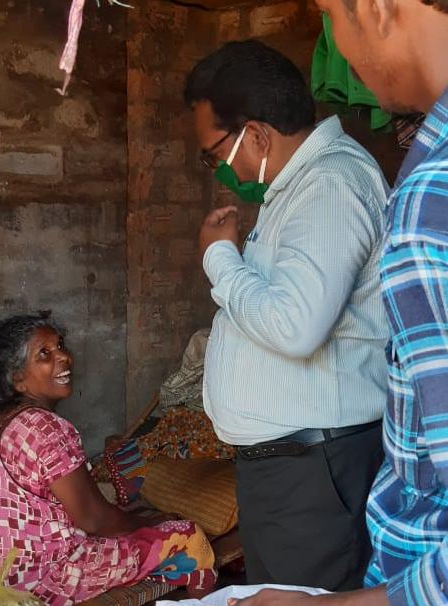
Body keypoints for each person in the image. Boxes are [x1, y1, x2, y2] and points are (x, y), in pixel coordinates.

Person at [229, 1, 448, 606]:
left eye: (330, 17)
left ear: (375, 6)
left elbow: (297, 326)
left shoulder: (425, 200)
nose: (341, 57)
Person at [183, 40, 389, 591]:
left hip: (313, 473)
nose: (217, 169)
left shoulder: (330, 185)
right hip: (295, 469)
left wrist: (219, 258)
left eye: (213, 153)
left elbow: (295, 326)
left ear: (255, 135)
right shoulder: (302, 187)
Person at [0, 312, 216, 606]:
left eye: (60, 345)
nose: (63, 357)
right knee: (188, 538)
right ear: (17, 378)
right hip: (40, 582)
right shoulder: (46, 428)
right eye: (44, 353)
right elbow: (95, 520)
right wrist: (151, 522)